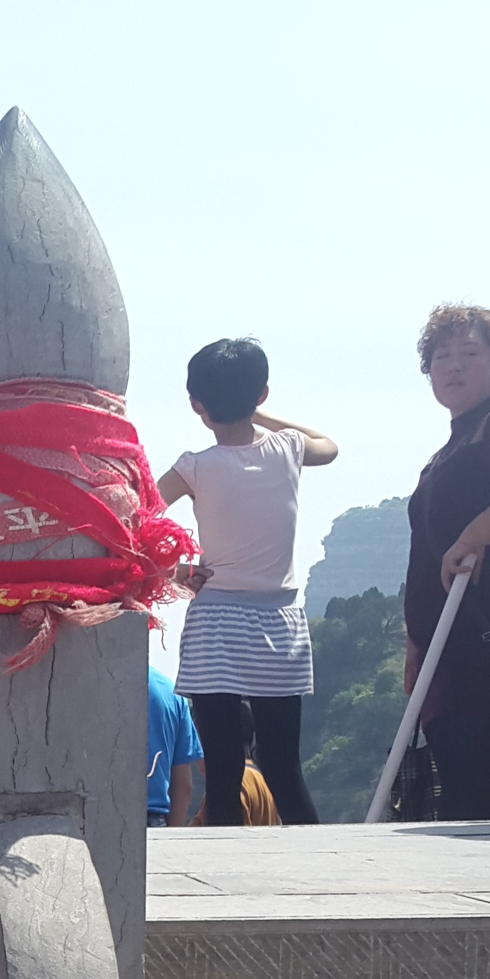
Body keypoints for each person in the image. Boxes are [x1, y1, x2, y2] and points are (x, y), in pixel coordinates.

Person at [159, 337, 336, 827]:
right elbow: (329, 446)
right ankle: (319, 860)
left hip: (216, 622)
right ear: (261, 394)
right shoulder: (289, 447)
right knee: (283, 768)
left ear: (196, 404)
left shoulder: (194, 466)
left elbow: (134, 519)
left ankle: (225, 867)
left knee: (222, 771)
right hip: (279, 623)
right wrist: (262, 414)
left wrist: (176, 572)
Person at [400, 306, 490, 820]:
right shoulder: (445, 453)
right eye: (442, 356)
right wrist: (415, 645)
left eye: (470, 353)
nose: (453, 365)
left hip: (488, 651)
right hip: (450, 661)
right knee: (466, 798)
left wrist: (475, 534)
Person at [148, 656, 201, 826]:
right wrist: (171, 834)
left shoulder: (89, 686)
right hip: (154, 821)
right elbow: (183, 786)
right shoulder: (173, 694)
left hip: (96, 818)